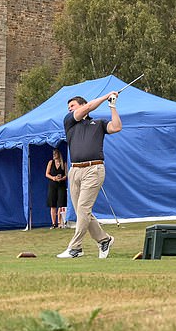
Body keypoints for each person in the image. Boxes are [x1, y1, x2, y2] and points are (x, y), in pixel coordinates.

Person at [56, 90, 121, 259]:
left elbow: (116, 127)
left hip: (94, 169)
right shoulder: (69, 121)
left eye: (73, 105)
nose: (70, 109)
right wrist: (106, 95)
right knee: (81, 212)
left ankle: (75, 248)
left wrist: (112, 106)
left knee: (84, 209)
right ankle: (104, 239)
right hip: (75, 171)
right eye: (69, 107)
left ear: (83, 105)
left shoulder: (98, 123)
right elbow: (90, 106)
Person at [46, 146, 68, 229]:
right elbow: (47, 174)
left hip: (61, 185)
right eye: (53, 154)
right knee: (53, 204)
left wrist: (62, 178)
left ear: (59, 154)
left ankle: (59, 222)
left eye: (55, 153)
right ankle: (53, 223)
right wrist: (53, 178)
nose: (54, 155)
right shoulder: (50, 163)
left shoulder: (64, 163)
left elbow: (66, 175)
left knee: (61, 204)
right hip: (53, 185)